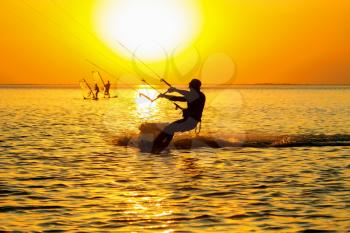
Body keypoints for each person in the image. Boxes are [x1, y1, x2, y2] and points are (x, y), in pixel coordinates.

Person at [151, 78, 205, 153]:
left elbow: (184, 96)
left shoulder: (199, 95)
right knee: (170, 128)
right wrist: (165, 96)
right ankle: (160, 146)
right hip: (189, 121)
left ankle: (158, 146)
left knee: (170, 128)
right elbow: (181, 98)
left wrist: (174, 90)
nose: (189, 88)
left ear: (194, 87)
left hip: (190, 122)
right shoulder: (195, 96)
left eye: (190, 86)